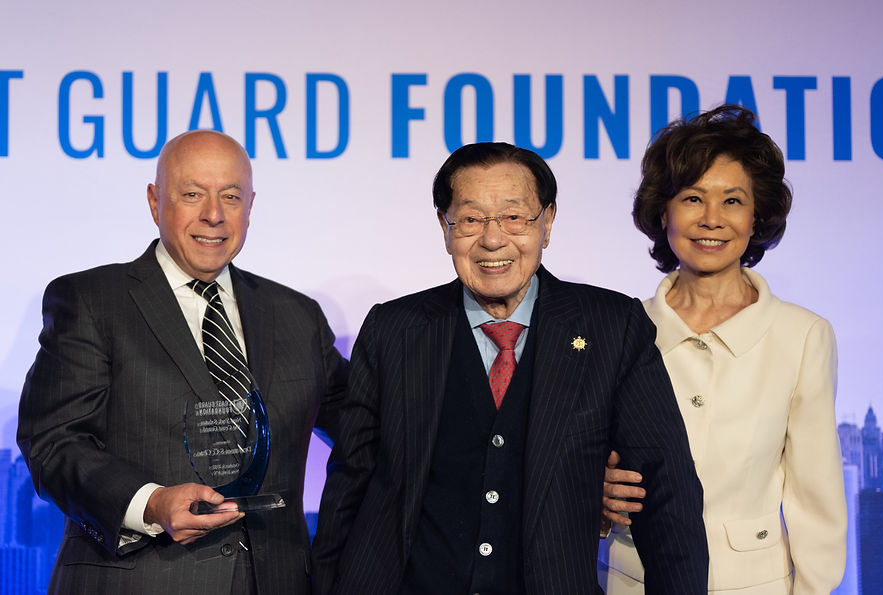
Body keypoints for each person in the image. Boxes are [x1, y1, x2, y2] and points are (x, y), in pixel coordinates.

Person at [311, 142, 707, 594]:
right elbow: (349, 486)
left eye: (515, 217)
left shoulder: (612, 327)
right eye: (471, 219)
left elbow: (667, 495)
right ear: (445, 227)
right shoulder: (394, 329)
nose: (493, 239)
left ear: (547, 222)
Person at [17, 130, 348, 594]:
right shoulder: (91, 301)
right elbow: (54, 443)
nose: (213, 214)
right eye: (192, 195)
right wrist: (151, 503)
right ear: (155, 202)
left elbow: (366, 424)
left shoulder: (297, 315)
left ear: (250, 205)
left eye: (231, 196)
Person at [599, 106, 847, 594]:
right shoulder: (618, 329)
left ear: (756, 217)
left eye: (733, 200)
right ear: (664, 212)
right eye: (692, 198)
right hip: (634, 581)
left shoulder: (802, 335)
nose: (712, 219)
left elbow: (815, 500)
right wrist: (598, 496)